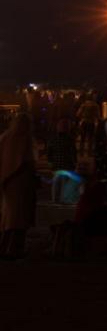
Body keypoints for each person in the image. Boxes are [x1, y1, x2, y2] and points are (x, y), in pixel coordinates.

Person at [0, 102, 35, 260]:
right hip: (21, 181)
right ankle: (14, 249)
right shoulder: (24, 138)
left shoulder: (5, 137)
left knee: (8, 215)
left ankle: (5, 246)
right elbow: (27, 160)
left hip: (6, 180)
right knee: (19, 217)